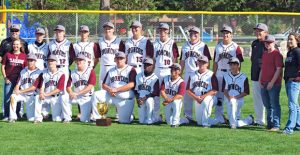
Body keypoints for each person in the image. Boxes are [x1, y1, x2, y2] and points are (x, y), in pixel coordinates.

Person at [92, 52, 137, 123]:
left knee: (124, 121)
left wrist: (116, 90)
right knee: (96, 95)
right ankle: (97, 118)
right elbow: (104, 84)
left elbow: (132, 84)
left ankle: (129, 116)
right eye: (117, 58)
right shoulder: (111, 70)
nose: (119, 60)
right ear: (114, 59)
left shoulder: (131, 69)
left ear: (125, 59)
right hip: (111, 95)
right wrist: (110, 89)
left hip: (124, 98)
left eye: (121, 58)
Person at [180, 26, 211, 124]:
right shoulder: (185, 46)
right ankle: (188, 116)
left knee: (199, 94)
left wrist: (206, 74)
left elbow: (207, 61)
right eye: (191, 33)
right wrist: (180, 74)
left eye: (195, 33)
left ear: (199, 34)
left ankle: (201, 115)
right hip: (188, 73)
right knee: (187, 97)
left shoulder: (203, 45)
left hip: (199, 73)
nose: (193, 34)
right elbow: (182, 61)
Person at [213, 25, 243, 124]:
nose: (225, 35)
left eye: (227, 33)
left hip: (231, 74)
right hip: (220, 73)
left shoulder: (235, 47)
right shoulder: (218, 46)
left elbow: (239, 63)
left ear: (231, 35)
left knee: (232, 95)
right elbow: (215, 62)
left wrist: (237, 76)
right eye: (224, 33)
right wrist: (213, 75)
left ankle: (235, 116)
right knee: (219, 96)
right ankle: (219, 117)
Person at [48, 25, 75, 123]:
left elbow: (72, 57)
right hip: (54, 70)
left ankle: (67, 116)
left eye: (60, 31)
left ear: (64, 32)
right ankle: (57, 113)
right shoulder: (51, 44)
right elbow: (49, 57)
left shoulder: (68, 43)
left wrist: (66, 65)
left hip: (63, 68)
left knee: (64, 92)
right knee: (55, 91)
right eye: (57, 31)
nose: (58, 33)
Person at [153, 23, 179, 123]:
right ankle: (156, 116)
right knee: (156, 94)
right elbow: (153, 60)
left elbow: (175, 59)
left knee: (170, 94)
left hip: (169, 70)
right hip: (157, 70)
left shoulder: (172, 43)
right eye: (160, 30)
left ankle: (171, 115)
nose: (162, 32)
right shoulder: (155, 44)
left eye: (165, 30)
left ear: (168, 31)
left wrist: (175, 73)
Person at [73, 25, 100, 119]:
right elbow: (73, 58)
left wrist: (92, 66)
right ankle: (80, 112)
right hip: (79, 70)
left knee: (90, 91)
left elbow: (97, 58)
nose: (83, 33)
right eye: (82, 32)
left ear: (88, 33)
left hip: (89, 69)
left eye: (85, 32)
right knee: (78, 88)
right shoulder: (75, 45)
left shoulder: (92, 45)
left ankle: (92, 112)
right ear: (79, 33)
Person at [186, 55, 218, 127]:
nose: (201, 64)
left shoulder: (211, 74)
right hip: (198, 98)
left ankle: (205, 124)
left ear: (207, 64)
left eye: (203, 62)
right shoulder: (192, 74)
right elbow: (188, 90)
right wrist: (196, 98)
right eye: (199, 62)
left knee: (206, 101)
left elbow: (214, 90)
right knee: (199, 122)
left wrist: (203, 96)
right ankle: (219, 120)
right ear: (197, 63)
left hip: (210, 97)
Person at [9, 54, 42, 123]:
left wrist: (20, 92)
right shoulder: (23, 71)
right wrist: (16, 90)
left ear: (35, 61)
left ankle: (39, 117)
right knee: (13, 96)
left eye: (32, 60)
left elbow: (34, 87)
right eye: (28, 60)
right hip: (23, 95)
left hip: (32, 96)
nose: (30, 62)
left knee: (30, 119)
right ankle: (12, 118)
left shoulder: (39, 72)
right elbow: (18, 83)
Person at [260, 35, 283, 131]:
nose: (267, 44)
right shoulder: (264, 54)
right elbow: (262, 68)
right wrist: (260, 80)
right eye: (266, 42)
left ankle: (276, 125)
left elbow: (279, 69)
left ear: (274, 43)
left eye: (269, 42)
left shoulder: (277, 54)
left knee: (274, 104)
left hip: (274, 84)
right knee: (267, 105)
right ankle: (270, 124)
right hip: (263, 83)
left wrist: (272, 83)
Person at [223, 57, 253, 129]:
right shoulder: (226, 76)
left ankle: (233, 124)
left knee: (233, 102)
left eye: (234, 64)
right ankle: (249, 120)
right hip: (228, 99)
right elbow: (225, 90)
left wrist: (234, 97)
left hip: (239, 100)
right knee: (233, 119)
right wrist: (229, 97)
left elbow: (246, 92)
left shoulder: (244, 77)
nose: (232, 66)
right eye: (230, 65)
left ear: (238, 65)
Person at [1, 39, 27, 121]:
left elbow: (25, 69)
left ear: (20, 46)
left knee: (17, 97)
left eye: (17, 44)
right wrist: (5, 77)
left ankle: (17, 114)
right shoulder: (8, 54)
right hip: (9, 80)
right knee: (7, 98)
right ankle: (6, 115)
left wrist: (21, 81)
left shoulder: (24, 56)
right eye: (14, 44)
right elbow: (3, 67)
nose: (15, 46)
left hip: (19, 81)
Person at [67, 54, 96, 123]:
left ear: (84, 61)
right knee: (64, 98)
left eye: (80, 60)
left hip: (87, 97)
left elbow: (90, 86)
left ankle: (90, 114)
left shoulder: (90, 71)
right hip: (75, 97)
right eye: (77, 60)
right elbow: (68, 86)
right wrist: (71, 92)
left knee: (84, 120)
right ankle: (66, 117)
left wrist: (77, 93)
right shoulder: (73, 72)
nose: (78, 61)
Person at [35, 55, 65, 123]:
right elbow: (42, 86)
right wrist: (41, 93)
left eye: (52, 61)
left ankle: (60, 114)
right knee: (37, 97)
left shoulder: (61, 74)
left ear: (56, 62)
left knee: (56, 119)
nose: (50, 62)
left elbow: (59, 89)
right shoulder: (44, 73)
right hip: (45, 97)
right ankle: (38, 118)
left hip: (55, 98)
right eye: (49, 61)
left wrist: (46, 94)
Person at [251, 23, 268, 126]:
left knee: (267, 100)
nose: (257, 32)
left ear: (266, 32)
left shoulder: (268, 43)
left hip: (266, 77)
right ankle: (259, 120)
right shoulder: (254, 43)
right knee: (257, 99)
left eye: (260, 31)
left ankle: (272, 121)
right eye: (256, 30)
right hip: (255, 75)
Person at [282, 32, 300, 134]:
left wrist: (295, 77)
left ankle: (289, 128)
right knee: (295, 105)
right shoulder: (290, 52)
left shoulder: (297, 51)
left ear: (297, 40)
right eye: (288, 39)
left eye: (291, 39)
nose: (289, 41)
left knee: (292, 105)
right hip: (288, 81)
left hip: (294, 82)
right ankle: (298, 125)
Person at [99, 22, 125, 87]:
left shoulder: (119, 41)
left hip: (114, 66)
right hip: (103, 66)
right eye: (106, 29)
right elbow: (97, 55)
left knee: (114, 85)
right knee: (102, 86)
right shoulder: (100, 41)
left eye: (109, 29)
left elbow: (123, 55)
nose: (107, 30)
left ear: (113, 30)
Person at [135, 57, 159, 124]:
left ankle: (150, 119)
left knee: (149, 100)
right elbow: (136, 90)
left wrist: (144, 98)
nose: (146, 66)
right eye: (145, 64)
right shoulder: (138, 76)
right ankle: (155, 118)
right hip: (141, 100)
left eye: (148, 65)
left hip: (150, 99)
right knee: (141, 121)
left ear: (153, 66)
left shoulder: (155, 78)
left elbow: (154, 93)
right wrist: (137, 99)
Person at [161, 63, 185, 127]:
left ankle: (175, 123)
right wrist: (166, 99)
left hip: (175, 101)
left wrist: (169, 100)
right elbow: (162, 91)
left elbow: (180, 95)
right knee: (169, 122)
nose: (173, 70)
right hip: (167, 101)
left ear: (179, 71)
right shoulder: (166, 78)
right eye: (172, 69)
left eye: (175, 69)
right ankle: (183, 120)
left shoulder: (181, 82)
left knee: (176, 102)